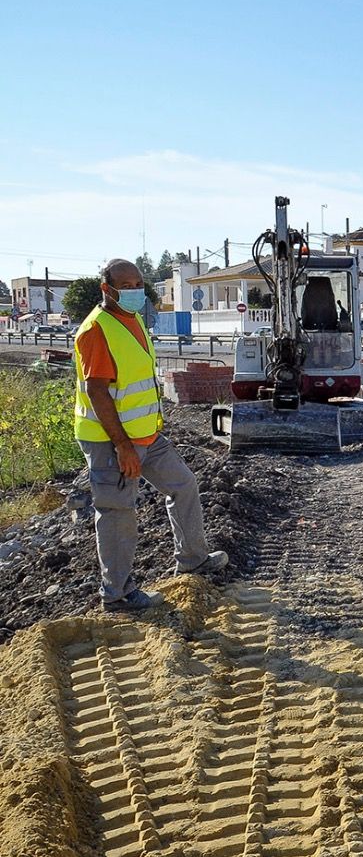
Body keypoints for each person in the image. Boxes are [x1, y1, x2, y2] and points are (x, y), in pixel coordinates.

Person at [73, 259, 227, 612]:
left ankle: (192, 560)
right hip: (112, 441)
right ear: (107, 289)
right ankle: (117, 594)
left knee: (183, 484)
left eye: (138, 284)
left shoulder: (133, 320)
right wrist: (122, 446)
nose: (134, 291)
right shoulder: (97, 329)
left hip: (146, 436)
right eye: (125, 286)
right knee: (117, 512)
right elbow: (97, 392)